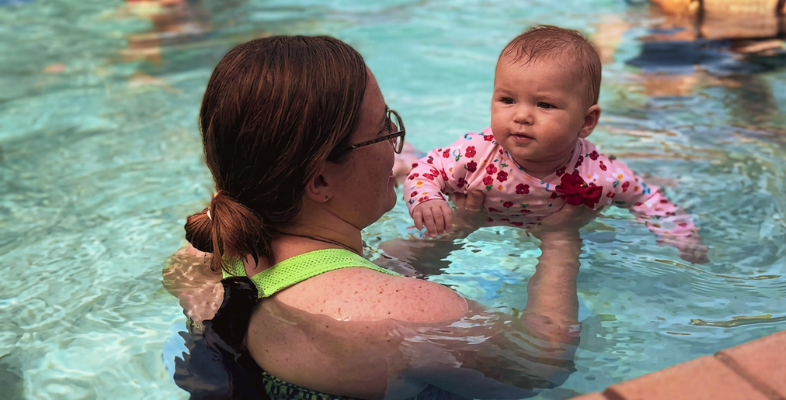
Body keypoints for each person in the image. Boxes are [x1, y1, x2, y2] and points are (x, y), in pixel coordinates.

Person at [176, 35, 594, 400]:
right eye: (384, 129)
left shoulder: (202, 256)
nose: (396, 146)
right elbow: (541, 364)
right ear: (320, 180)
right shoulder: (415, 321)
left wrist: (456, 230)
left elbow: (337, 277)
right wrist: (561, 240)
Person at [404, 25, 709, 264]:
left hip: (543, 235)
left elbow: (644, 198)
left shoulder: (599, 172)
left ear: (587, 122)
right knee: (406, 248)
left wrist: (681, 237)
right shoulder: (476, 153)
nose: (522, 116)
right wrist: (428, 199)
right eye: (507, 100)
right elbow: (426, 170)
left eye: (545, 105)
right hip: (476, 230)